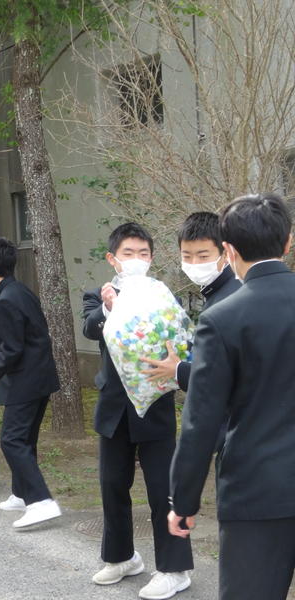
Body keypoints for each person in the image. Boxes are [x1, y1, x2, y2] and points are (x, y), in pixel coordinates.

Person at [169, 193, 295, 600]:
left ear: (228, 250)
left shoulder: (223, 319)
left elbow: (201, 421)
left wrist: (183, 501)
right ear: (288, 241)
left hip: (256, 490)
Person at [82, 223, 193, 599]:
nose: (136, 260)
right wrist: (106, 307)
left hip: (155, 405)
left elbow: (179, 336)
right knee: (113, 485)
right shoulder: (99, 293)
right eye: (128, 253)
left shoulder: (161, 295)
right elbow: (90, 328)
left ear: (151, 258)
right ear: (112, 258)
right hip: (114, 407)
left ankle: (175, 569)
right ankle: (122, 557)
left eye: (143, 254)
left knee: (164, 490)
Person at [0, 237, 61, 529]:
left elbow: (12, 349)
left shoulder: (6, 299)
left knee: (12, 440)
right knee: (26, 439)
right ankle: (21, 494)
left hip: (25, 381)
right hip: (40, 378)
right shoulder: (20, 291)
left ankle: (41, 501)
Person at [140, 211, 241, 451]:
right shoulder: (217, 292)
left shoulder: (232, 297)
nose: (194, 263)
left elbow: (230, 372)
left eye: (203, 256)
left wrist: (178, 370)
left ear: (225, 252)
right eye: (187, 256)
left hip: (235, 430)